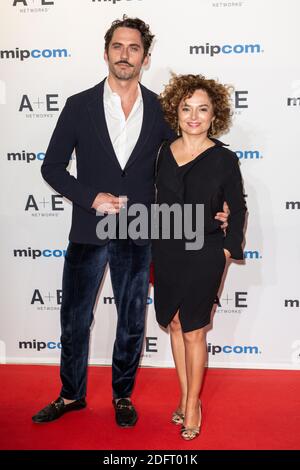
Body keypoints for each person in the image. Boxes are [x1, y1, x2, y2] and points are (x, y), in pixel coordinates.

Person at [32, 17, 229, 428]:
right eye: (118, 46)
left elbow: (191, 158)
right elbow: (51, 167)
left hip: (140, 229)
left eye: (134, 48)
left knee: (132, 320)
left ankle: (122, 394)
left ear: (145, 57)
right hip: (89, 227)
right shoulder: (77, 105)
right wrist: (90, 198)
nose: (125, 54)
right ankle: (71, 394)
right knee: (74, 318)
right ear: (106, 52)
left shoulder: (161, 109)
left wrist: (219, 206)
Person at [152, 74, 247, 440]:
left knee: (193, 328)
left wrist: (226, 250)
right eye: (187, 107)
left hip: (205, 250)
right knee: (174, 324)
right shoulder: (162, 151)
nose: (194, 116)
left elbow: (237, 209)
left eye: (202, 109)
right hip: (166, 248)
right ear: (176, 111)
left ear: (214, 115)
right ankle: (184, 394)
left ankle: (192, 404)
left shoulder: (224, 158)